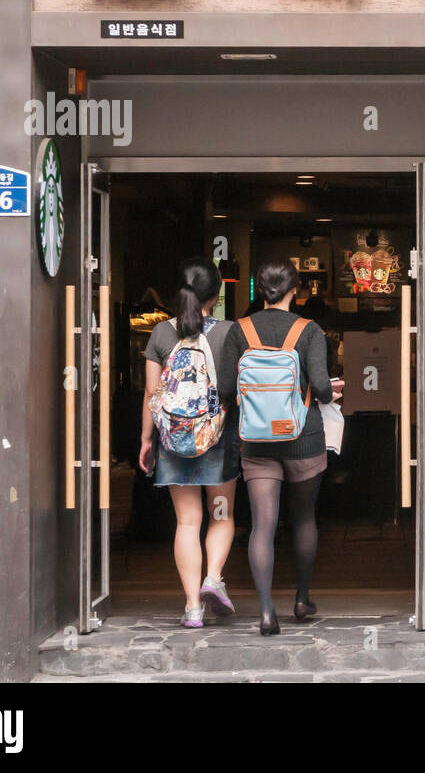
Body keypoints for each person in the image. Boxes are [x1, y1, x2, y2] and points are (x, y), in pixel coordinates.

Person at [218, 259, 344, 636]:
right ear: (296, 290)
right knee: (304, 518)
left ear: (258, 289)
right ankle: (302, 599)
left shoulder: (239, 331)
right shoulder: (309, 331)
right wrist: (331, 390)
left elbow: (226, 389)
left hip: (256, 441)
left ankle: (266, 612)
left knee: (263, 525)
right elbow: (321, 388)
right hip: (302, 437)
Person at [138, 258, 238, 629]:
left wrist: (147, 440)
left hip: (173, 440)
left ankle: (193, 606)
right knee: (222, 514)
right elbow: (235, 389)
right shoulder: (230, 333)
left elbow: (152, 393)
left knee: (187, 521)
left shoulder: (161, 334)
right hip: (217, 439)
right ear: (217, 293)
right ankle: (213, 577)